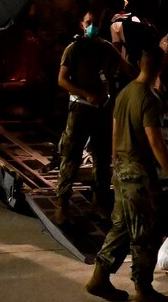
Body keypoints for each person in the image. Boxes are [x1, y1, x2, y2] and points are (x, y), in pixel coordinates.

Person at [85, 35, 168, 302]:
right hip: (139, 175)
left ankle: (100, 277)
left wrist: (115, 167)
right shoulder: (149, 99)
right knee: (144, 233)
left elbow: (115, 132)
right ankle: (144, 289)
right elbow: (156, 141)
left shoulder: (124, 93)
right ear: (160, 67)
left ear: (140, 64)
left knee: (121, 227)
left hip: (121, 169)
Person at [50, 15, 132, 223]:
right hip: (80, 109)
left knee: (102, 160)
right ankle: (62, 204)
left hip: (102, 111)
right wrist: (85, 94)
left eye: (96, 23)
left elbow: (125, 66)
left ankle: (99, 203)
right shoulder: (74, 49)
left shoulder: (105, 48)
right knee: (71, 157)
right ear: (82, 24)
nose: (92, 27)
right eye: (88, 23)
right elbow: (62, 79)